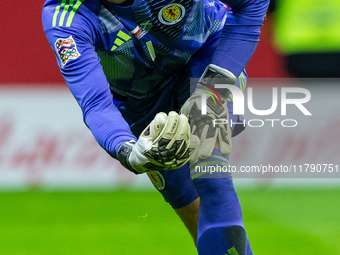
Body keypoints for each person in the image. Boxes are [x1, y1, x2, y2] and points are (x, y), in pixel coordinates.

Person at [42, 0, 269, 254]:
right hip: (140, 103)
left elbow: (252, 2)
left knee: (210, 171)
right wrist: (128, 150)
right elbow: (96, 105)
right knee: (193, 212)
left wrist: (214, 87)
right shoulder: (65, 17)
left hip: (206, 58)